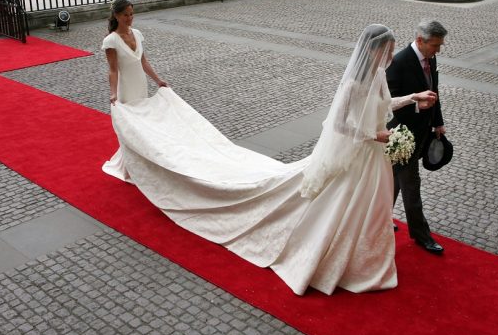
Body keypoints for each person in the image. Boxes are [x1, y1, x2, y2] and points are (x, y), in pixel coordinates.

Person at [103, 24, 436, 295]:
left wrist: (413, 98)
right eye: (387, 50)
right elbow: (341, 124)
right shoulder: (352, 82)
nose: (391, 55)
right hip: (359, 154)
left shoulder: (378, 77)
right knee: (345, 206)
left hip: (373, 157)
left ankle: (370, 257)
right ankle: (347, 260)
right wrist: (374, 136)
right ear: (374, 50)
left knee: (370, 208)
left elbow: (383, 107)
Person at [386, 20, 448, 255]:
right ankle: (422, 236)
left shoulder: (430, 58)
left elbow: (434, 93)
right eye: (435, 45)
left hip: (423, 131)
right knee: (411, 186)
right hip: (402, 136)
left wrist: (438, 122)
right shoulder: (398, 62)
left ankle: (378, 218)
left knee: (392, 181)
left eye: (440, 46)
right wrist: (416, 105)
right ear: (421, 40)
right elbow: (387, 103)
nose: (438, 50)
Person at [102, 0, 168, 182]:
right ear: (116, 16)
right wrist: (113, 93)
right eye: (126, 15)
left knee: (142, 126)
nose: (130, 18)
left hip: (140, 85)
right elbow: (113, 70)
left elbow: (143, 61)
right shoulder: (111, 41)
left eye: (132, 14)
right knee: (130, 129)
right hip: (126, 88)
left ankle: (142, 163)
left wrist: (158, 80)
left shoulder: (137, 34)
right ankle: (129, 167)